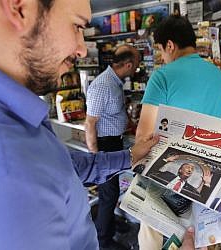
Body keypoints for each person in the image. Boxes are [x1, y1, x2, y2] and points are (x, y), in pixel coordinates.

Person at [0, 1, 160, 249]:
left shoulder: (18, 121)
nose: (81, 50)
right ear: (20, 7)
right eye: (77, 26)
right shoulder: (7, 166)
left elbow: (62, 167)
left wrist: (131, 156)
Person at [135, 15, 221, 250]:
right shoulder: (220, 77)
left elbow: (143, 136)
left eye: (160, 50)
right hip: (205, 180)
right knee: (195, 239)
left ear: (170, 45)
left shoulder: (163, 76)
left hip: (163, 177)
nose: (163, 57)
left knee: (154, 239)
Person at [84, 45, 140, 249]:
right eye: (136, 65)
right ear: (128, 65)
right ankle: (103, 241)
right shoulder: (102, 85)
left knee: (112, 192)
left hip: (114, 142)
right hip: (105, 146)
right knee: (108, 195)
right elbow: (90, 123)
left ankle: (109, 226)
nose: (137, 69)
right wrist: (96, 159)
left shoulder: (114, 83)